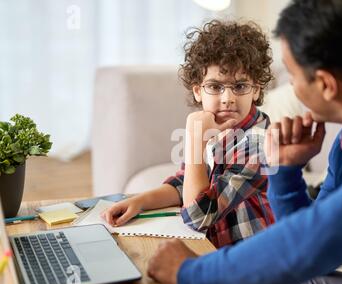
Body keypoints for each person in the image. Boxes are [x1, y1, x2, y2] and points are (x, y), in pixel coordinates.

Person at [145, 0, 342, 284]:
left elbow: (315, 240)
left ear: (325, 85)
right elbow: (318, 250)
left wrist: (190, 272)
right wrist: (287, 171)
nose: (289, 84)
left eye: (291, 74)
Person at [102, 20, 275, 248]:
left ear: (256, 90)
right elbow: (186, 182)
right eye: (215, 87)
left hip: (253, 259)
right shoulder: (212, 126)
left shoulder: (260, 144)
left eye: (240, 86)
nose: (227, 98)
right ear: (197, 91)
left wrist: (195, 140)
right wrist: (140, 201)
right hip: (215, 245)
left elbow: (198, 216)